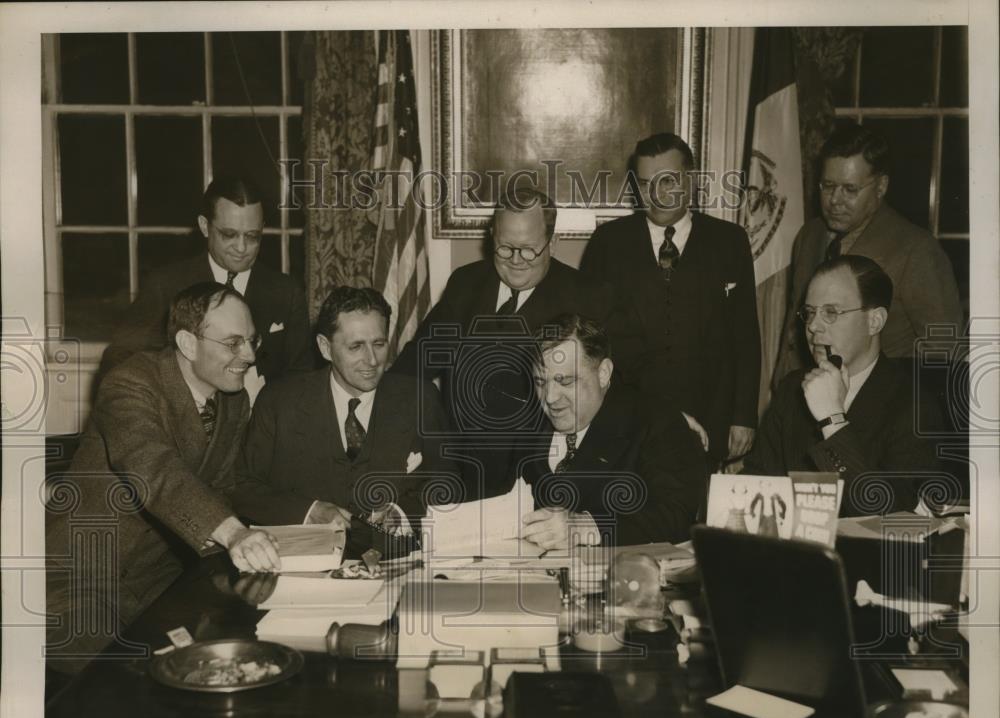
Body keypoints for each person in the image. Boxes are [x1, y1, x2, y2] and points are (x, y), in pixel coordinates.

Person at [46, 283, 280, 673]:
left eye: (252, 341)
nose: (250, 356)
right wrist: (235, 535)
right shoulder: (129, 383)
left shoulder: (233, 402)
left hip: (157, 584)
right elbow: (153, 469)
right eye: (233, 343)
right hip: (78, 582)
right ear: (188, 343)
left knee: (226, 658)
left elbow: (220, 490)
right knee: (116, 689)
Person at [392, 187, 603, 500]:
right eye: (505, 248)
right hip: (457, 473)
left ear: (553, 243)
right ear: (492, 237)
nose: (516, 260)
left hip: (536, 478)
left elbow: (616, 383)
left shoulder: (587, 296)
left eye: (529, 250)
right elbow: (415, 367)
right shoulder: (466, 283)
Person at [580, 132, 761, 468]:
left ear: (690, 181)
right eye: (646, 183)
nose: (657, 195)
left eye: (668, 182)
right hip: (630, 421)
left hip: (711, 418)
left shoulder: (729, 242)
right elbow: (592, 341)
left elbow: (745, 335)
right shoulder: (608, 243)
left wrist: (744, 416)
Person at [233, 287, 457, 557]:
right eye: (356, 347)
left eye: (379, 343)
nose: (372, 361)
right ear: (325, 348)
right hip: (304, 570)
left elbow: (448, 485)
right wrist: (309, 510)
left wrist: (401, 514)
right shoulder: (279, 402)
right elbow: (243, 488)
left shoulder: (421, 399)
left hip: (396, 566)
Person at [743, 255, 942, 516]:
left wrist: (832, 421)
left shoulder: (914, 406)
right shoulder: (793, 388)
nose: (813, 326)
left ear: (875, 321)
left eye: (831, 312)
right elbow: (757, 481)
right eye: (810, 312)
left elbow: (894, 516)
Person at [773, 123, 962, 386]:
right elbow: (795, 331)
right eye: (828, 186)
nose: (835, 200)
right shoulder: (809, 235)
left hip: (879, 411)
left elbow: (944, 351)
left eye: (850, 190)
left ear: (881, 187)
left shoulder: (917, 249)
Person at [98, 174, 315, 389]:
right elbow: (118, 359)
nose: (241, 248)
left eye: (252, 236)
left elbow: (302, 377)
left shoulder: (286, 292)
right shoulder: (166, 285)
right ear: (204, 226)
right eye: (229, 234)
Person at [518, 313, 707, 550]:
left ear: (603, 373)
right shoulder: (525, 422)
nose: (550, 398)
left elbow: (677, 515)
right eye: (540, 382)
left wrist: (588, 527)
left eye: (565, 382)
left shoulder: (654, 422)